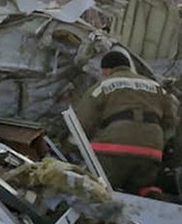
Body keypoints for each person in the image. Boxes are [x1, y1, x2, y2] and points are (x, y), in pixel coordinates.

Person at [75, 51, 179, 195]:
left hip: (112, 149)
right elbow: (171, 120)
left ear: (106, 70)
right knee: (141, 190)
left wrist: (73, 146)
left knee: (97, 191)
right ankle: (149, 195)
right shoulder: (156, 87)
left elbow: (83, 121)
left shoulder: (103, 86)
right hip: (151, 150)